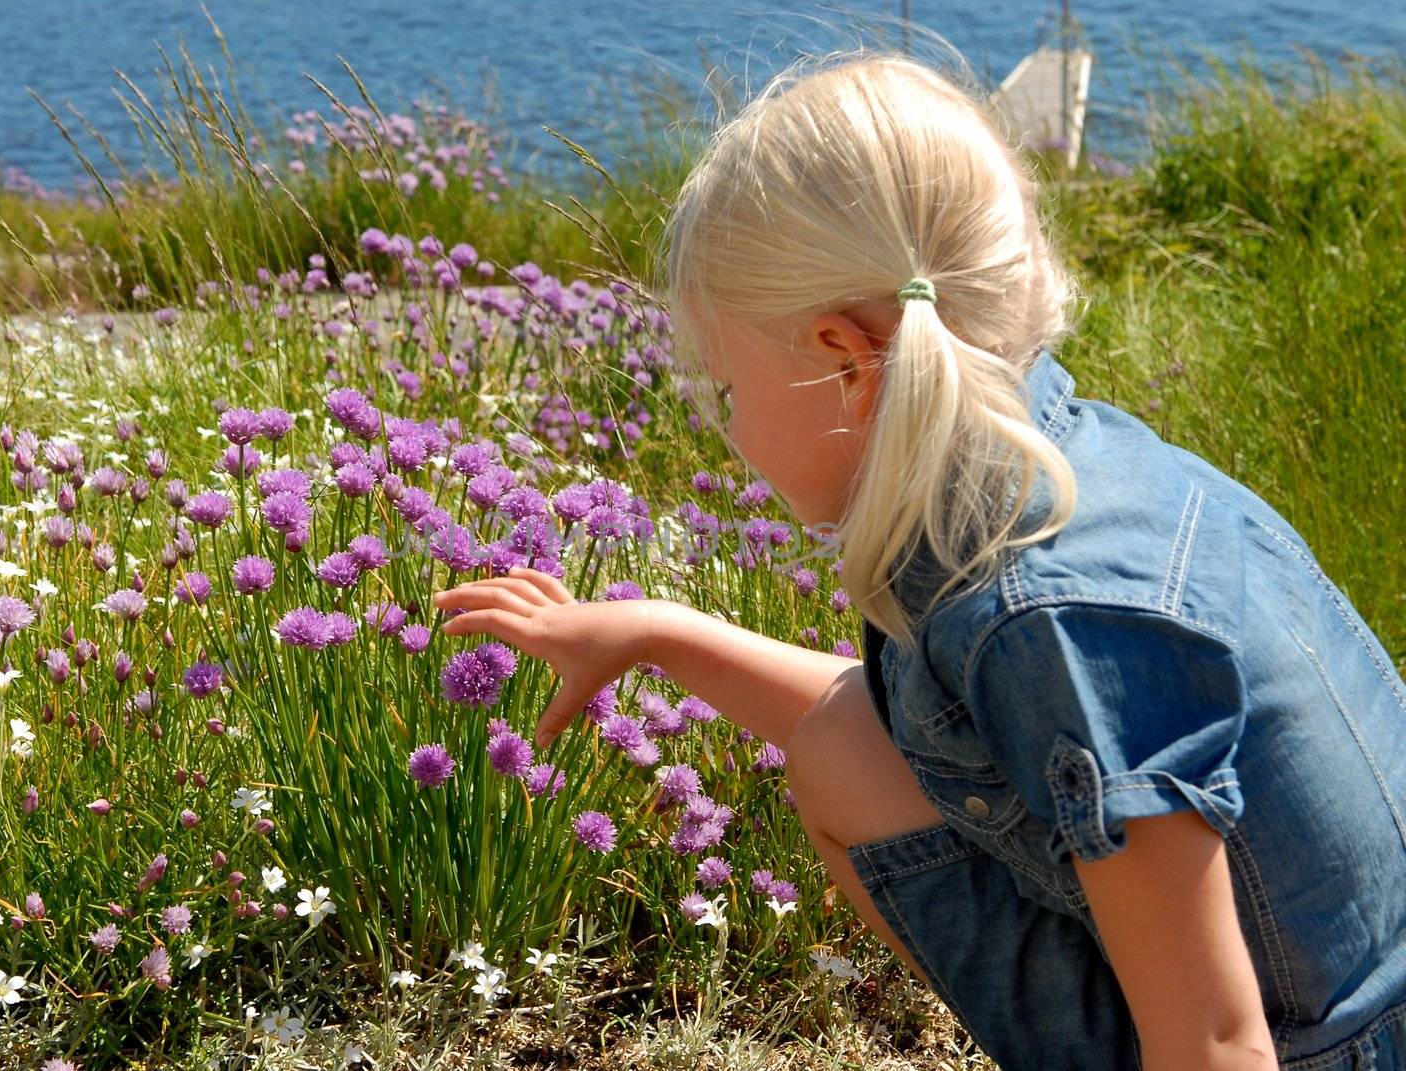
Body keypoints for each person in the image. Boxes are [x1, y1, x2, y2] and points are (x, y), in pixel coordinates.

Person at [430, 48, 1406, 1071]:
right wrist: (658, 635)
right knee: (844, 742)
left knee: (842, 756)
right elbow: (905, 726)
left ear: (843, 362)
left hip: (1321, 1049)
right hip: (1335, 1001)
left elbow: (1213, 1043)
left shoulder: (1051, 614)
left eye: (726, 389)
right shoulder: (1070, 469)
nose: (727, 428)